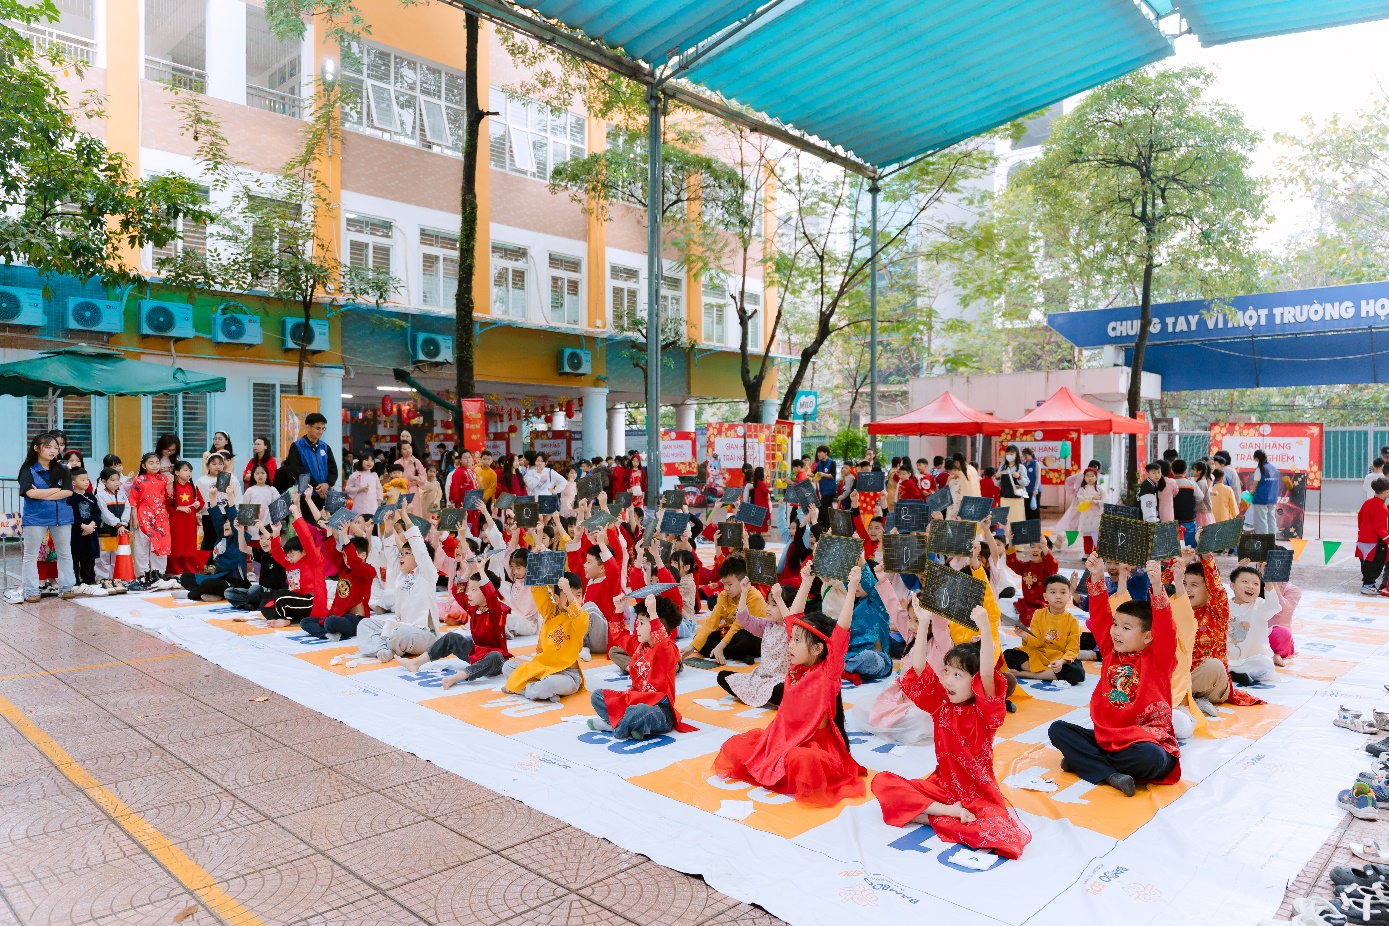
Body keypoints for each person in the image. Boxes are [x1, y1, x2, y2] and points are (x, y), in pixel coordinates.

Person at [872, 603, 1031, 859]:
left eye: (958, 675)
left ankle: (927, 815)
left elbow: (987, 674)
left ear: (975, 682)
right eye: (946, 672)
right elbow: (919, 668)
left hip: (978, 795)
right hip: (942, 787)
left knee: (999, 834)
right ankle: (947, 813)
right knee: (883, 783)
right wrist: (924, 624)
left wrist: (985, 630)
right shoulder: (941, 703)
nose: (947, 680)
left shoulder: (983, 714)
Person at [713, 567, 867, 807]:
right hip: (781, 737)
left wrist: (852, 588)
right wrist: (806, 581)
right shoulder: (796, 667)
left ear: (817, 648)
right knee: (738, 748)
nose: (790, 644)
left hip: (810, 744)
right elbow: (793, 618)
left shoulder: (827, 672)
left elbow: (842, 629)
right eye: (791, 638)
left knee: (803, 761)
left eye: (797, 641)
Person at [1049, 554, 1180, 797]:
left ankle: (1087, 763)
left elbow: (1165, 628)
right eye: (1116, 625)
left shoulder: (1159, 659)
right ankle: (1110, 774)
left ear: (1148, 636)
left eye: (1126, 628)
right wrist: (1097, 576)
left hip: (1144, 742)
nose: (1116, 632)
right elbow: (1100, 617)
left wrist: (1157, 587)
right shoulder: (1111, 650)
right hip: (1107, 739)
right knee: (1057, 730)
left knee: (1153, 759)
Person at [589, 593, 695, 740]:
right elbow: (619, 635)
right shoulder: (640, 646)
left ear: (658, 625)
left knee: (640, 711)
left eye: (642, 623)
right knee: (598, 696)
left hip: (660, 710)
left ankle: (616, 727)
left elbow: (662, 644)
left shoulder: (669, 649)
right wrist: (619, 610)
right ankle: (634, 727)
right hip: (635, 699)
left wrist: (653, 613)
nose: (637, 628)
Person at [399, 557, 511, 685]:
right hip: (477, 653)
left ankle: (459, 677)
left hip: (496, 661)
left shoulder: (497, 609)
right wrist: (468, 570)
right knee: (451, 637)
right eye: (469, 589)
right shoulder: (474, 608)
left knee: (495, 656)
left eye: (474, 590)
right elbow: (458, 594)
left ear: (486, 591)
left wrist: (481, 570)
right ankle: (416, 662)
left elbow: (491, 595)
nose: (468, 593)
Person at [349, 508, 438, 663]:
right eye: (401, 554)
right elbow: (390, 552)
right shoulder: (401, 575)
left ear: (418, 557)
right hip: (400, 629)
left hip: (424, 635)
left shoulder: (427, 574)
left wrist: (405, 517)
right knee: (364, 624)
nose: (401, 557)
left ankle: (385, 648)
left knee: (401, 634)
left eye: (406, 553)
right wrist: (389, 527)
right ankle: (386, 649)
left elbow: (420, 549)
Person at [1183, 552, 1265, 712]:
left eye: (1194, 585)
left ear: (1208, 589)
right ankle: (1191, 699)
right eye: (1184, 583)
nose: (1187, 589)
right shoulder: (1177, 608)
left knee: (1214, 666)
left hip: (1214, 683)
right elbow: (1158, 590)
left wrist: (1206, 555)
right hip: (1183, 678)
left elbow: (1216, 586)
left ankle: (1186, 698)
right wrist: (1180, 565)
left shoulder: (1217, 611)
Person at [718, 572, 811, 708]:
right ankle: (764, 695)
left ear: (789, 608)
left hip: (783, 680)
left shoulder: (796, 629)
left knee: (781, 690)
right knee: (723, 676)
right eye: (768, 603)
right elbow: (744, 619)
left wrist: (779, 598)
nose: (768, 608)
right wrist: (744, 593)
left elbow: (791, 621)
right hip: (761, 678)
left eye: (774, 605)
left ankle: (771, 696)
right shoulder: (768, 625)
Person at [501, 573, 588, 702]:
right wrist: (540, 565)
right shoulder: (550, 611)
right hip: (542, 669)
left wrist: (568, 592)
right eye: (568, 595)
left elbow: (580, 618)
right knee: (507, 667)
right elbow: (539, 590)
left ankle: (523, 688)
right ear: (556, 598)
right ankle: (540, 692)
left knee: (548, 685)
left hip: (568, 675)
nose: (574, 600)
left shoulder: (581, 616)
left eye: (578, 595)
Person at [261, 491, 327, 626]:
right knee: (265, 605)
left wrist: (297, 515)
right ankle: (290, 617)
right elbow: (277, 554)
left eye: (292, 554)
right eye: (288, 555)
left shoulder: (314, 560)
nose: (289, 558)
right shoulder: (290, 563)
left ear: (303, 552)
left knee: (280, 595)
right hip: (295, 601)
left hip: (312, 603)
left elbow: (306, 538)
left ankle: (287, 619)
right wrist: (276, 533)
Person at [1003, 575, 1083, 685]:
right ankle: (1048, 674)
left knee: (1077, 673)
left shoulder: (1073, 621)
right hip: (1038, 655)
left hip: (1059, 658)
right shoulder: (1038, 614)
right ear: (1045, 596)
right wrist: (1024, 635)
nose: (1058, 596)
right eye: (1053, 592)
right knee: (1008, 654)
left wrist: (1061, 662)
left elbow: (1072, 649)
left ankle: (1028, 674)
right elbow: (1036, 642)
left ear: (1069, 596)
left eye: (1063, 592)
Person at [301, 521, 375, 639]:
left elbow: (354, 562)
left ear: (363, 555)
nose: (346, 559)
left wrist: (344, 536)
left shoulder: (368, 571)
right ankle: (327, 633)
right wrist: (329, 531)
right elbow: (332, 553)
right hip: (340, 616)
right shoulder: (344, 569)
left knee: (330, 622)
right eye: (344, 555)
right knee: (305, 622)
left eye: (350, 555)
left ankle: (331, 630)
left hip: (356, 621)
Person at [691, 556, 765, 665]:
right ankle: (739, 655)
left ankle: (724, 651)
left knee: (743, 638)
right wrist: (692, 646)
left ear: (744, 581)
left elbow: (738, 625)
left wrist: (721, 646)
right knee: (699, 639)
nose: (726, 588)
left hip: (752, 636)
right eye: (724, 583)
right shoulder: (724, 595)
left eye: (730, 584)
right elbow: (712, 621)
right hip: (730, 634)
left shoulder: (755, 597)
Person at [1226, 562, 1279, 685]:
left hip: (1252, 660)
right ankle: (1233, 672)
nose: (1251, 586)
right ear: (1232, 585)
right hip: (1228, 659)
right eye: (1245, 582)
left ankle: (1233, 673)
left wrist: (1268, 580)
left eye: (1256, 584)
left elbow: (1273, 606)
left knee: (1265, 664)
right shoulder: (1224, 605)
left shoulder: (1260, 605)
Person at [179, 515, 250, 602]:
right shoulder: (222, 539)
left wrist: (230, 505)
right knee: (185, 577)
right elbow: (217, 518)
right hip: (219, 579)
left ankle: (192, 594)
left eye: (231, 523)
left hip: (235, 583)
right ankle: (213, 593)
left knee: (208, 583)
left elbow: (232, 514)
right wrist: (211, 505)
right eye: (226, 522)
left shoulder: (240, 540)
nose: (226, 524)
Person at [127, 452, 172, 588]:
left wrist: (170, 483)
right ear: (143, 465)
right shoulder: (139, 480)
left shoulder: (164, 479)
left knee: (160, 545)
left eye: (157, 463)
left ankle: (159, 574)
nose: (155, 465)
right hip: (143, 515)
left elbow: (170, 497)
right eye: (151, 463)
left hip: (160, 517)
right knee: (142, 546)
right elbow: (133, 501)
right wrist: (134, 518)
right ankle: (142, 575)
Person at [275, 413, 338, 502]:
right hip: (305, 495)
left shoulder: (325, 447)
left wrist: (327, 484)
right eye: (318, 428)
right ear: (308, 427)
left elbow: (333, 469)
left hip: (325, 494)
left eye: (323, 428)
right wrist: (317, 487)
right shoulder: (297, 446)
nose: (321, 432)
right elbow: (298, 471)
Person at [1005, 534, 1057, 627]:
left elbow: (1052, 564)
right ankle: (1015, 618)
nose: (1035, 550)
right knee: (1001, 602)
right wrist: (1011, 543)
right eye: (1032, 547)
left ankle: (1017, 618)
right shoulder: (1025, 566)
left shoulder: (1048, 569)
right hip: (1024, 603)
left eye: (1040, 547)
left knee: (1031, 617)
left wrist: (1044, 546)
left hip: (1041, 605)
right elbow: (1012, 562)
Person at [66, 467, 103, 595]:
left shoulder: (91, 497)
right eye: (82, 480)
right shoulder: (70, 497)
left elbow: (97, 512)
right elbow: (70, 515)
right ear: (73, 482)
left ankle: (90, 581)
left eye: (87, 479)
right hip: (76, 532)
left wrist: (91, 525)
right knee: (75, 556)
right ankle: (75, 582)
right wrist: (83, 526)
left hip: (91, 531)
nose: (86, 482)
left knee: (89, 556)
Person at [166, 460, 204, 575]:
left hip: (190, 523)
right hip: (176, 522)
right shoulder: (171, 487)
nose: (189, 473)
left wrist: (198, 504)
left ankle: (190, 572)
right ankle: (175, 572)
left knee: (189, 546)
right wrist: (178, 508)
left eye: (190, 471)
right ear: (177, 472)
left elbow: (201, 502)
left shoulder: (193, 487)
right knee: (176, 545)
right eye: (186, 470)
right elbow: (166, 504)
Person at [94, 466, 131, 587]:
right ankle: (102, 578)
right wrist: (117, 524)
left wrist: (123, 523)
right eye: (112, 480)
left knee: (116, 554)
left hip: (120, 530)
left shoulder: (122, 494)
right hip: (106, 529)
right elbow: (104, 513)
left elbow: (127, 508)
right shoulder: (100, 495)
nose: (116, 482)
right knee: (104, 555)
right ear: (104, 481)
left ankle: (114, 578)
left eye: (117, 479)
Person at [1358, 478, 1389, 596]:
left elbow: (1360, 517)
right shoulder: (1382, 507)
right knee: (1376, 564)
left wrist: (1362, 530)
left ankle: (1367, 584)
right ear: (1386, 491)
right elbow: (1380, 528)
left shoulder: (1367, 502)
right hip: (1375, 542)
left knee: (1365, 562)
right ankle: (1368, 585)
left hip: (1363, 539)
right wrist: (1388, 540)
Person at [1248, 449, 1280, 535]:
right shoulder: (1274, 468)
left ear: (1257, 458)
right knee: (1271, 519)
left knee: (1261, 521)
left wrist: (1252, 491)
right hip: (1272, 499)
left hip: (1261, 499)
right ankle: (1272, 539)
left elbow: (1255, 483)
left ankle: (1263, 540)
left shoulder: (1260, 469)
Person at [1170, 459, 1201, 546]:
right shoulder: (1191, 484)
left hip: (1173, 519)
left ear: (1172, 470)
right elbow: (1200, 497)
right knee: (1190, 544)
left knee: (1175, 544)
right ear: (1185, 471)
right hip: (1189, 519)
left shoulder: (1169, 484)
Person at [345, 453, 382, 518]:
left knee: (372, 521)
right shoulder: (355, 475)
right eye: (367, 460)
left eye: (372, 461)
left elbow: (379, 489)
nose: (369, 462)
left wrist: (379, 501)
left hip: (373, 504)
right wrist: (359, 490)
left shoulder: (374, 475)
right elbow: (347, 488)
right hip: (359, 504)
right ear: (361, 461)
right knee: (359, 520)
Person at [996, 448, 1028, 524]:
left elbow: (1026, 483)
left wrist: (1019, 477)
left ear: (1016, 455)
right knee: (1005, 521)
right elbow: (997, 484)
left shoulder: (1021, 467)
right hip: (1004, 498)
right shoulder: (1002, 467)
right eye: (1007, 454)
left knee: (1017, 521)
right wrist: (997, 477)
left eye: (1011, 454)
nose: (1009, 456)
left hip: (1016, 499)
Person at [1020, 448, 1041, 520]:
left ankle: (1036, 526)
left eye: (1026, 455)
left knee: (1034, 510)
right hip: (1026, 491)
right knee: (1027, 510)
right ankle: (1028, 525)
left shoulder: (1036, 464)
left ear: (1030, 454)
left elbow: (1038, 478)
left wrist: (1036, 489)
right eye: (1023, 456)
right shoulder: (1024, 465)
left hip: (1035, 491)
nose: (1024, 457)